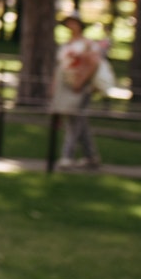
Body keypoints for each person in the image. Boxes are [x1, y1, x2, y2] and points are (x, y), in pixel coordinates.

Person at [53, 15, 104, 169]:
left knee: (75, 121)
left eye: (73, 22)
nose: (70, 25)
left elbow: (94, 64)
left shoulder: (87, 45)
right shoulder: (66, 44)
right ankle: (91, 156)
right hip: (66, 84)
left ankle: (67, 156)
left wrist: (81, 82)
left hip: (81, 86)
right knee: (78, 122)